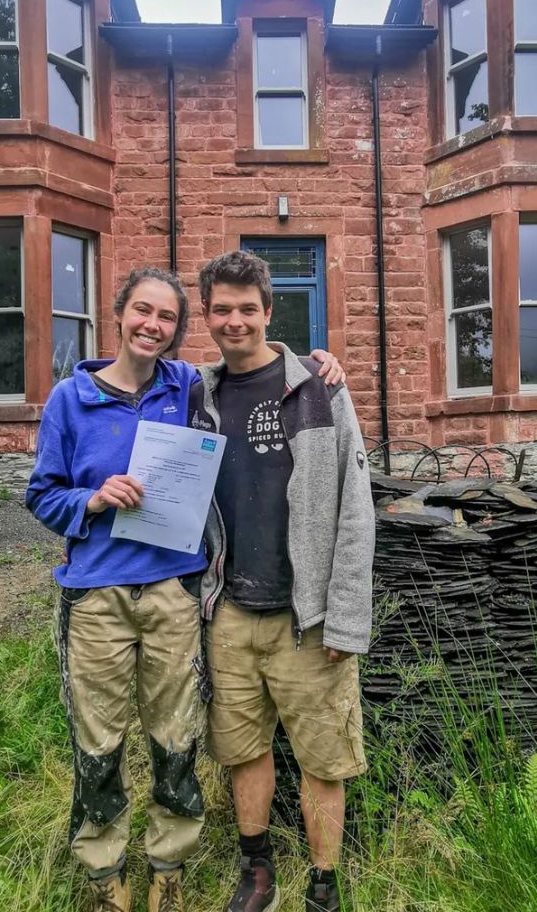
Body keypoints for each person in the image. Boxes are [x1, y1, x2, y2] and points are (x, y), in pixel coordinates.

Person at [24, 267, 218, 912]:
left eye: (166, 318)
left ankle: (169, 862)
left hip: (172, 591)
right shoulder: (70, 400)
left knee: (175, 733)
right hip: (97, 596)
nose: (152, 326)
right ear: (119, 314)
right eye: (143, 311)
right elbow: (42, 496)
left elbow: (254, 370)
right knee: (98, 739)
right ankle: (105, 872)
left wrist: (316, 359)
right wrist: (93, 499)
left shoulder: (187, 388)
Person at [192, 250, 375, 912]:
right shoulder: (198, 397)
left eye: (247, 309)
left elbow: (356, 507)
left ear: (269, 313)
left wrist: (348, 616)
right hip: (230, 613)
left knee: (325, 760)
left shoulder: (319, 389)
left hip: (309, 617)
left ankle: (323, 884)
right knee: (243, 752)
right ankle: (257, 869)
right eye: (222, 309)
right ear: (207, 316)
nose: (234, 321)